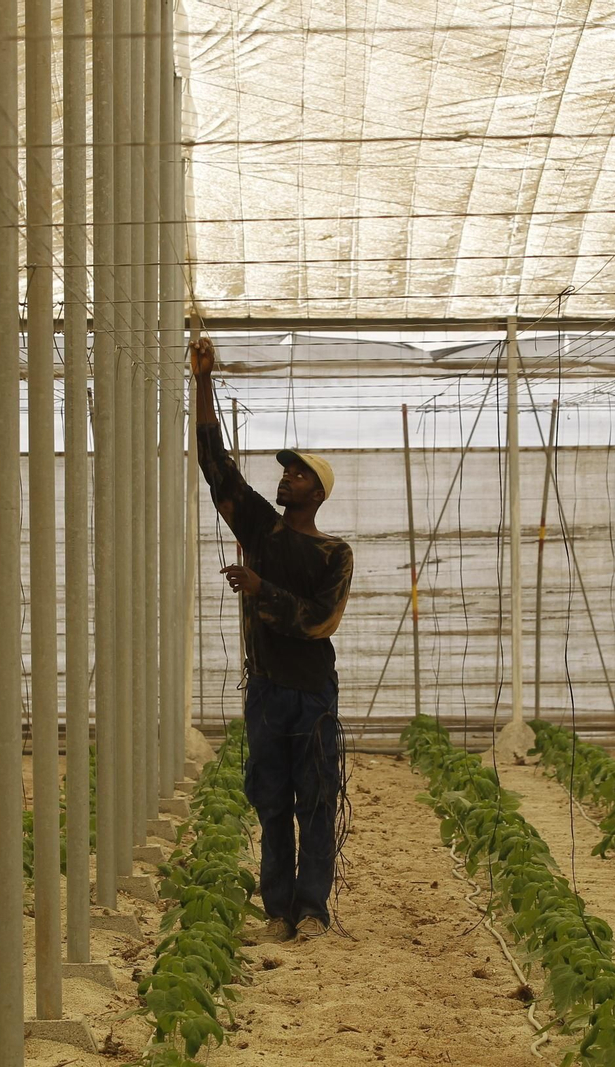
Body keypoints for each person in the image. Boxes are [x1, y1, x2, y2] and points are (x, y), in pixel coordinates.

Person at [190, 335, 355, 943]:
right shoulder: (260, 527)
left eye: (299, 472)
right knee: (269, 799)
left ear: (318, 491)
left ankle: (312, 909)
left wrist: (263, 590)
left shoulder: (334, 553)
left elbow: (320, 621)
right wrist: (202, 381)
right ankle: (278, 910)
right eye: (285, 470)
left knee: (314, 800)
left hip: (311, 695)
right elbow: (216, 466)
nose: (286, 477)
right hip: (265, 690)